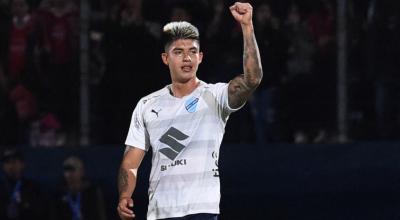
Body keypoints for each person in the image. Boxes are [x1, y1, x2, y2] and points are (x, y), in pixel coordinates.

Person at [117, 2, 262, 220]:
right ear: (166, 59)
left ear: (200, 57)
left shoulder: (216, 96)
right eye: (179, 52)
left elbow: (252, 79)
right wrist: (124, 195)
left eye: (192, 52)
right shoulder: (146, 105)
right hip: (161, 212)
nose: (187, 58)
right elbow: (130, 161)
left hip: (201, 211)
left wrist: (247, 26)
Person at [0, 148, 48, 220]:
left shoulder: (34, 188)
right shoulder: (1, 188)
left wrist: (21, 208)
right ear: (3, 167)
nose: (11, 166)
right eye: (7, 162)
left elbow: (41, 213)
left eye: (14, 162)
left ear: (23, 164)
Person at [53, 156, 107, 220]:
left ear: (82, 171)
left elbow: (100, 214)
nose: (69, 174)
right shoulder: (59, 193)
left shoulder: (92, 191)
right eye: (66, 170)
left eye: (73, 170)